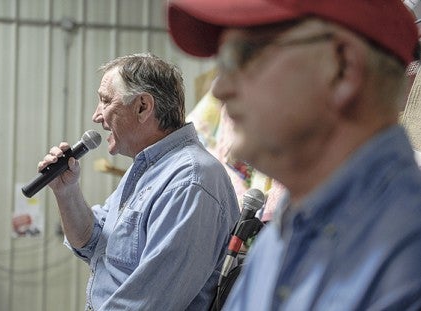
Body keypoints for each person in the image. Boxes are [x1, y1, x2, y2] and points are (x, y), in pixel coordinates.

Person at [167, 0, 421, 310]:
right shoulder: (280, 238)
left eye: (243, 55)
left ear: (342, 67)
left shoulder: (407, 257)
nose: (219, 89)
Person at [37, 53, 240, 310]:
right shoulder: (150, 168)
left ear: (143, 106)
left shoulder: (190, 180)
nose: (96, 116)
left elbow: (149, 303)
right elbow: (91, 240)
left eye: (105, 101)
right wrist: (66, 191)